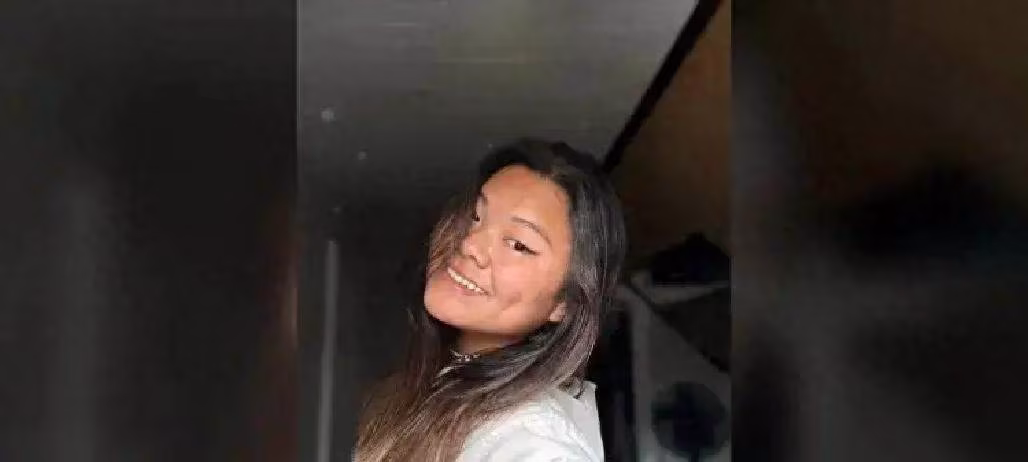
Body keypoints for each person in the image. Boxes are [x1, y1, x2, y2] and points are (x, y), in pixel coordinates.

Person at [355, 139, 627, 461]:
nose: (470, 244)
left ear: (565, 303)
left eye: (519, 245)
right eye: (475, 216)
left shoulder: (535, 445)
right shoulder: (435, 387)